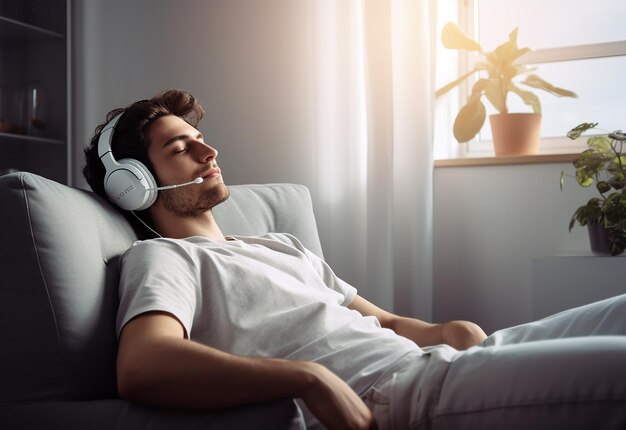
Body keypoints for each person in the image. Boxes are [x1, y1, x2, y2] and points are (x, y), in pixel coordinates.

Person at [83, 89, 626, 430]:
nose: (210, 153)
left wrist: (442, 329)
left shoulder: (278, 245)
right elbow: (143, 366)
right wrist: (306, 379)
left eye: (202, 139)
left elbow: (385, 321)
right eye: (181, 149)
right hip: (403, 393)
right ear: (134, 186)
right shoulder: (163, 259)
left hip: (449, 363)